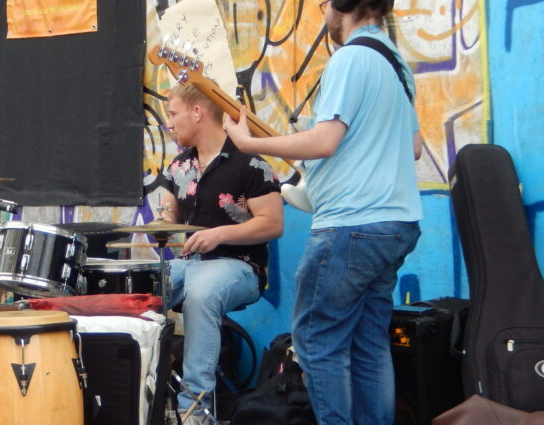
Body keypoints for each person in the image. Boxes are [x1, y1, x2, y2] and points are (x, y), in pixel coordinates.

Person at [224, 0, 422, 423]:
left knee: (315, 343)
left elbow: (325, 142)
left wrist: (251, 145)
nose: (323, 10)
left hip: (350, 226)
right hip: (396, 224)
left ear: (343, 5)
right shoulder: (397, 65)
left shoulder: (350, 58)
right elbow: (415, 147)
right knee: (368, 345)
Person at [160, 84, 283, 424]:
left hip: (240, 268)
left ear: (196, 113)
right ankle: (144, 393)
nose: (168, 123)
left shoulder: (250, 163)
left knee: (203, 294)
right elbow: (167, 214)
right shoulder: (178, 167)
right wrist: (163, 223)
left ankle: (194, 410)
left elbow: (273, 224)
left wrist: (219, 235)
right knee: (139, 289)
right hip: (189, 265)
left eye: (173, 113)